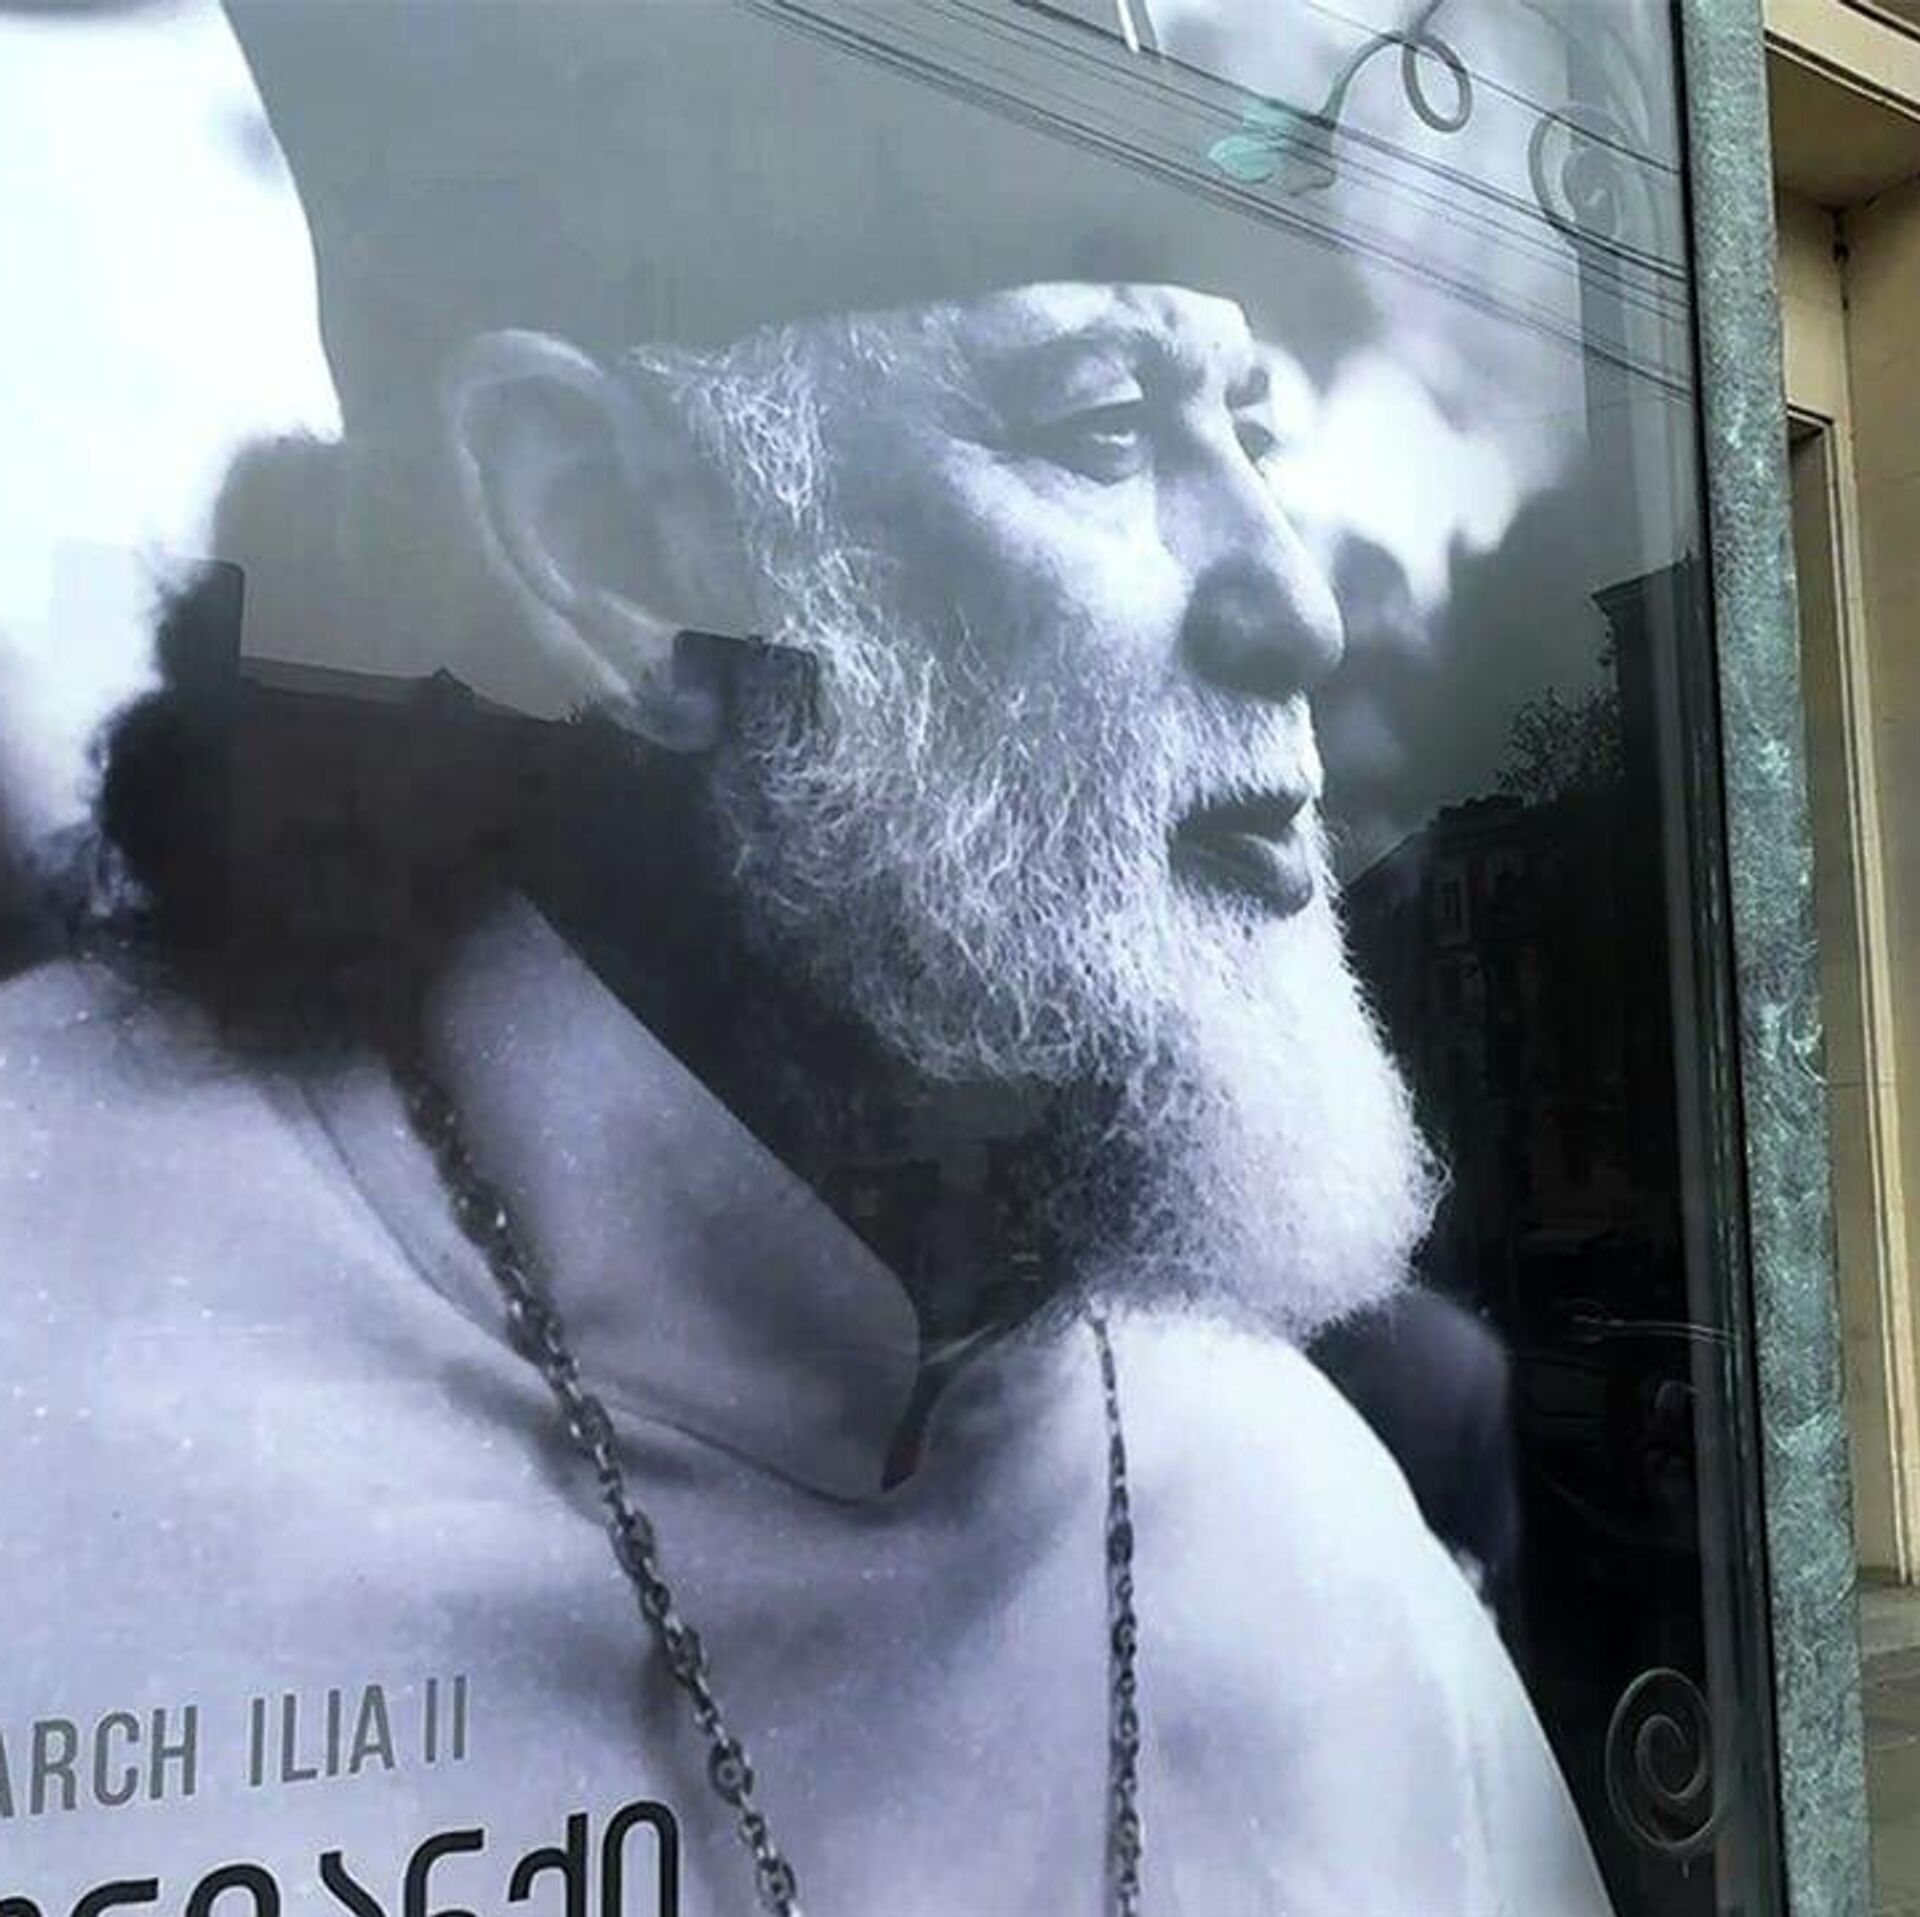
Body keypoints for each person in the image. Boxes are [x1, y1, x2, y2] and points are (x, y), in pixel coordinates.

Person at [0, 3, 1615, 1913]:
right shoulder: (56, 1346)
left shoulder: (1303, 1525)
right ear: (606, 544)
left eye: (1247, 430)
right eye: (1105, 428)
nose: (1293, 604)